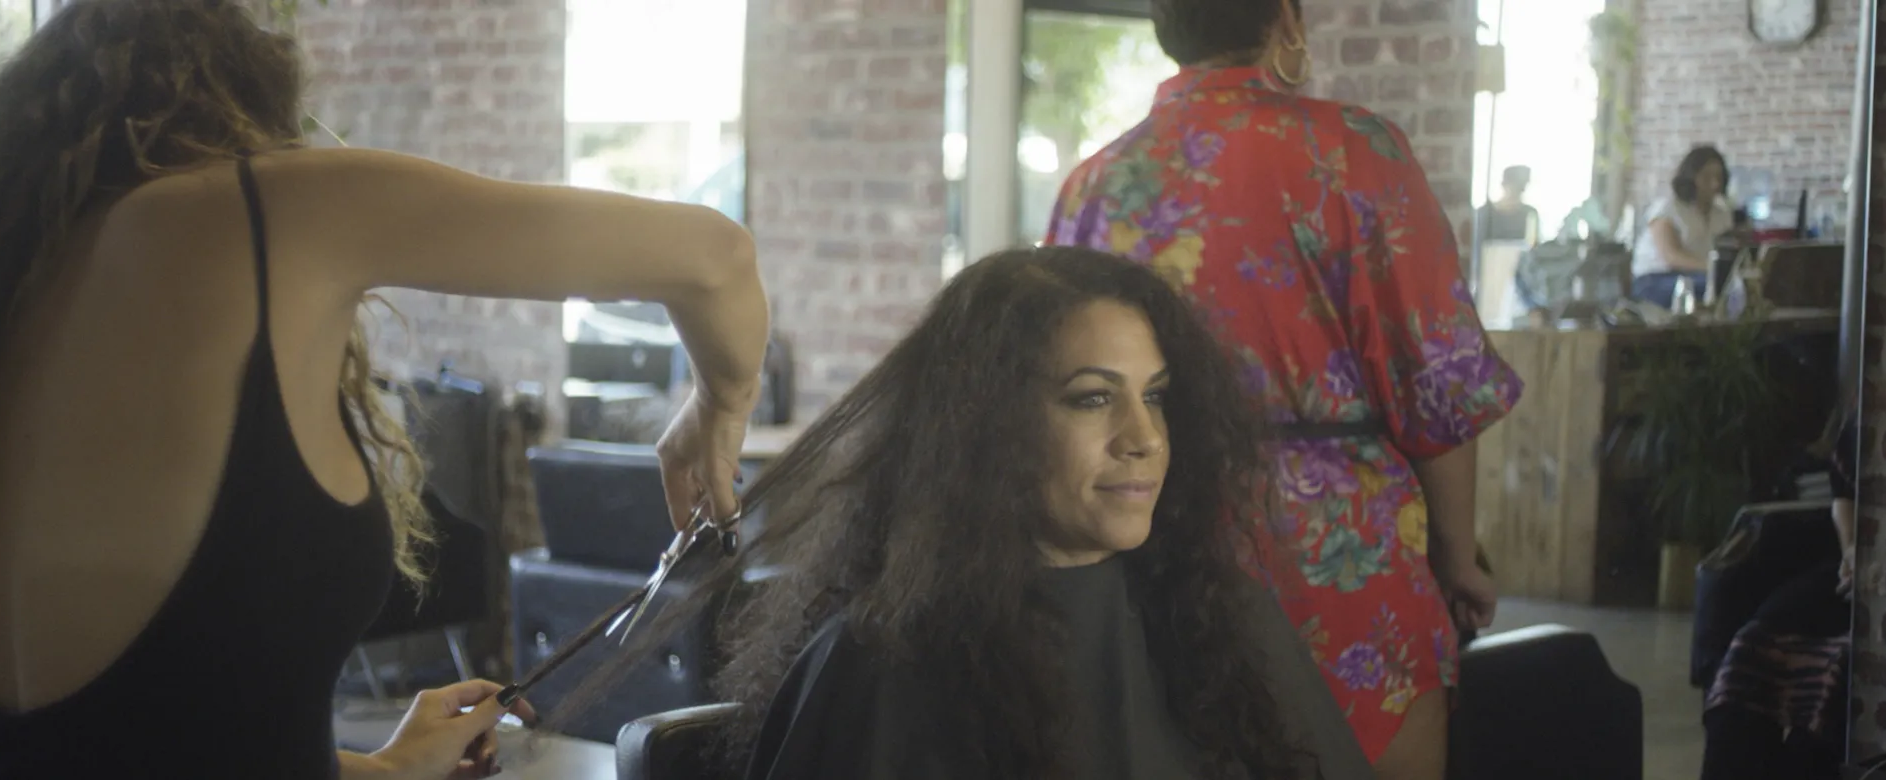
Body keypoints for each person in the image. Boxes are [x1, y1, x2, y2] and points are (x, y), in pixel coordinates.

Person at [0, 2, 768, 778]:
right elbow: (715, 259)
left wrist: (385, 767)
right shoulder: (265, 207)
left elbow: (122, 741)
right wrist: (718, 408)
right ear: (246, 113)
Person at [597, 248, 1375, 780]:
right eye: (1093, 399)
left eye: (1156, 396)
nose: (1142, 438)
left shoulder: (1218, 619)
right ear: (987, 428)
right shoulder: (888, 664)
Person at [1043, 1, 1520, 777]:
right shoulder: (1355, 152)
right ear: (1285, 19)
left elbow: (1062, 401)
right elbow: (1439, 382)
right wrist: (1458, 559)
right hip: (1347, 561)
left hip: (1167, 546)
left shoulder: (1094, 185)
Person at [1698, 412, 1857, 780]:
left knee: (1834, 677)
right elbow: (1844, 494)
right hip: (1845, 569)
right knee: (1750, 649)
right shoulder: (1866, 416)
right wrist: (1850, 550)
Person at [1631, 146, 1740, 309]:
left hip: (1701, 276)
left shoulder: (1722, 213)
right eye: (1706, 177)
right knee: (1713, 288)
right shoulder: (1667, 208)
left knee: (1732, 289)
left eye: (1719, 177)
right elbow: (1672, 257)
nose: (1714, 184)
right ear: (1691, 177)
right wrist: (1713, 268)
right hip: (1655, 279)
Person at [1460, 165, 1540, 248]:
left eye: (1522, 188)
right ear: (1504, 185)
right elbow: (1477, 247)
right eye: (1515, 187)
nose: (1518, 192)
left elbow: (1534, 248)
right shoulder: (1485, 213)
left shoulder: (1530, 214)